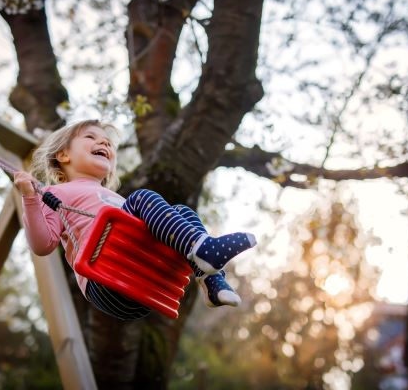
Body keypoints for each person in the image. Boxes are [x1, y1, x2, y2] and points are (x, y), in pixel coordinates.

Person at [14, 119, 256, 320]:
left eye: (107, 142)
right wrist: (30, 198)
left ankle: (211, 281)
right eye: (90, 137)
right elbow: (42, 245)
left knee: (183, 212)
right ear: (63, 154)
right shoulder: (54, 194)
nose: (103, 142)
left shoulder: (115, 198)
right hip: (105, 281)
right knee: (142, 197)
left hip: (144, 283)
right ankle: (204, 251)